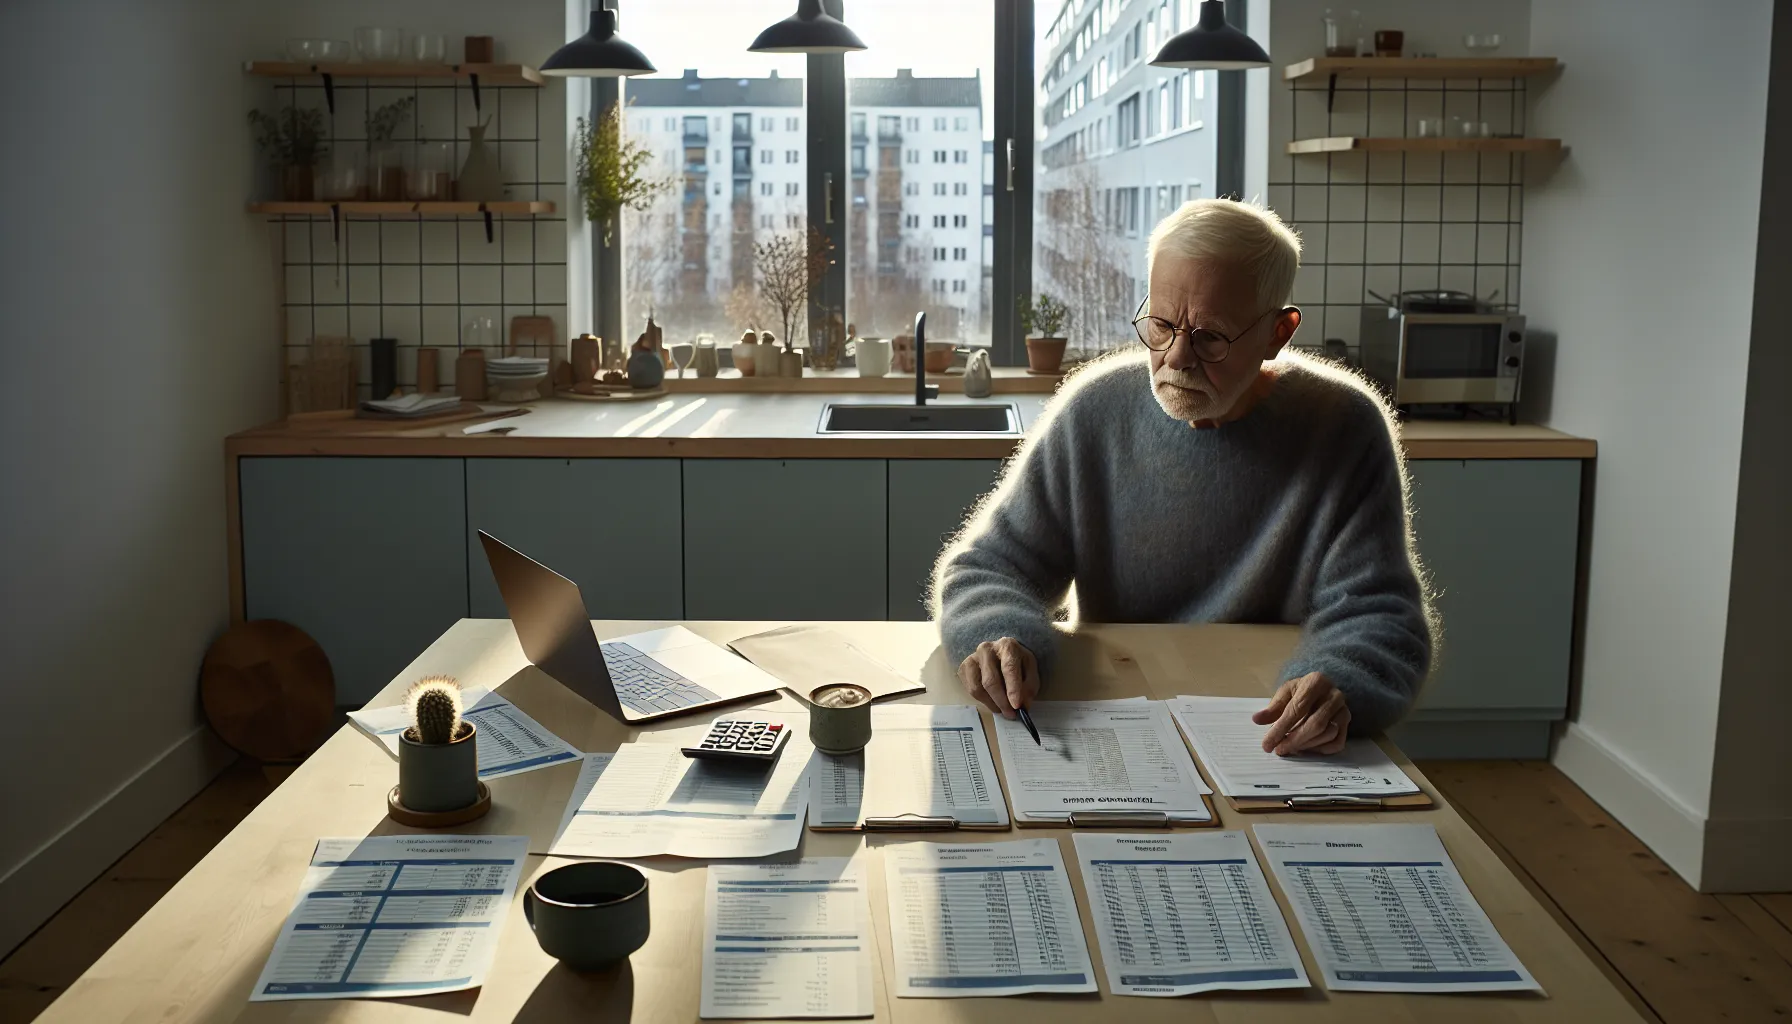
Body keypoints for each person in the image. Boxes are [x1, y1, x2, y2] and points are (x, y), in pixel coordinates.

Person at [932, 198, 1433, 755]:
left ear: (1277, 332)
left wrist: (1340, 679)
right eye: (1161, 325)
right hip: (1113, 715)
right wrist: (996, 635)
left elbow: (1380, 613)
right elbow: (988, 567)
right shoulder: (1094, 411)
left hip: (1263, 730)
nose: (1176, 359)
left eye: (1211, 336)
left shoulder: (1342, 427)